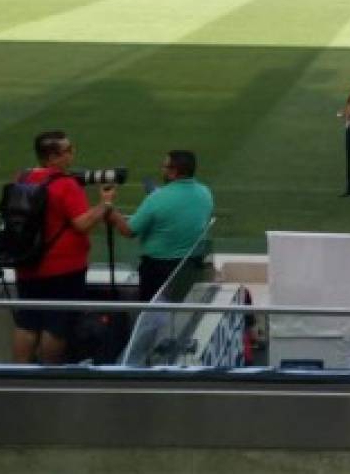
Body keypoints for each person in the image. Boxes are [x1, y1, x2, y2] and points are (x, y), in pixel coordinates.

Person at [12, 130, 116, 365]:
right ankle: (47, 375)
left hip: (27, 263)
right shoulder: (66, 185)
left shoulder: (22, 177)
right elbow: (82, 224)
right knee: (56, 325)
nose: (72, 154)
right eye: (68, 150)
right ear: (52, 157)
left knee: (27, 321)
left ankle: (18, 372)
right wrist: (105, 204)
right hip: (63, 269)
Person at [106, 150, 214, 302]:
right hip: (191, 266)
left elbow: (129, 230)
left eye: (165, 167)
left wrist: (109, 208)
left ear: (173, 171)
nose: (162, 170)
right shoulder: (205, 192)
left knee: (153, 316)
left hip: (159, 271)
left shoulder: (156, 199)